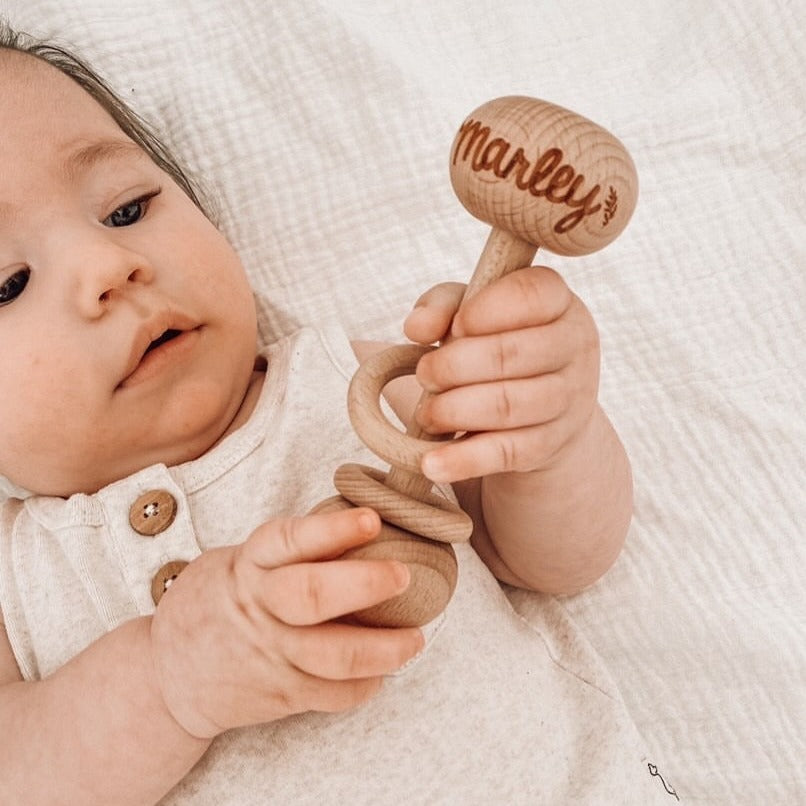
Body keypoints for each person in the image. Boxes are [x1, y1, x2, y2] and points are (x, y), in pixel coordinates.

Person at [0, 23, 668, 806]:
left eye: (126, 209)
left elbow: (557, 562)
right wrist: (167, 679)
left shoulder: (359, 386)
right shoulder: (19, 572)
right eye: (9, 282)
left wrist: (550, 435)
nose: (109, 266)